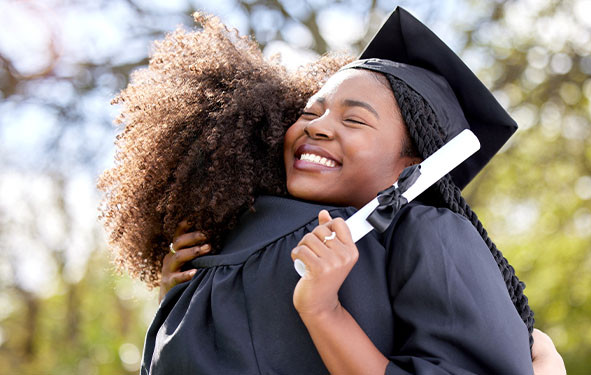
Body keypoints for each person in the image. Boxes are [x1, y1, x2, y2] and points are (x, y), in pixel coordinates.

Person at [99, 7, 566, 375]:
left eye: (354, 119)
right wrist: (178, 304)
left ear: (415, 164)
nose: (318, 127)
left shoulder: (423, 233)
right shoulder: (232, 241)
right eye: (309, 112)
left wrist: (324, 311)